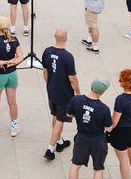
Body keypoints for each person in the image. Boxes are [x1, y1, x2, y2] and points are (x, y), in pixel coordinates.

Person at [42, 28, 79, 161]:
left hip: (51, 90)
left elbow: (45, 71)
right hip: (64, 93)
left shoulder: (47, 51)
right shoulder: (67, 56)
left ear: (54, 36)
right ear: (66, 38)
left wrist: (49, 85)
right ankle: (50, 148)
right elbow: (72, 78)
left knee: (56, 115)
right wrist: (78, 93)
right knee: (60, 118)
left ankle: (59, 141)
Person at [65, 78, 113, 179]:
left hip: (81, 137)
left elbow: (69, 113)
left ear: (91, 86)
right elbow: (109, 129)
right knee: (98, 168)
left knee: (75, 165)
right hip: (98, 140)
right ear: (103, 92)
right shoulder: (104, 109)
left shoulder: (76, 100)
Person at [0, 16, 23, 139]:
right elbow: (20, 57)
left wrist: (4, 62)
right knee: (12, 102)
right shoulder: (15, 40)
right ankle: (14, 126)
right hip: (12, 74)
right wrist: (11, 62)